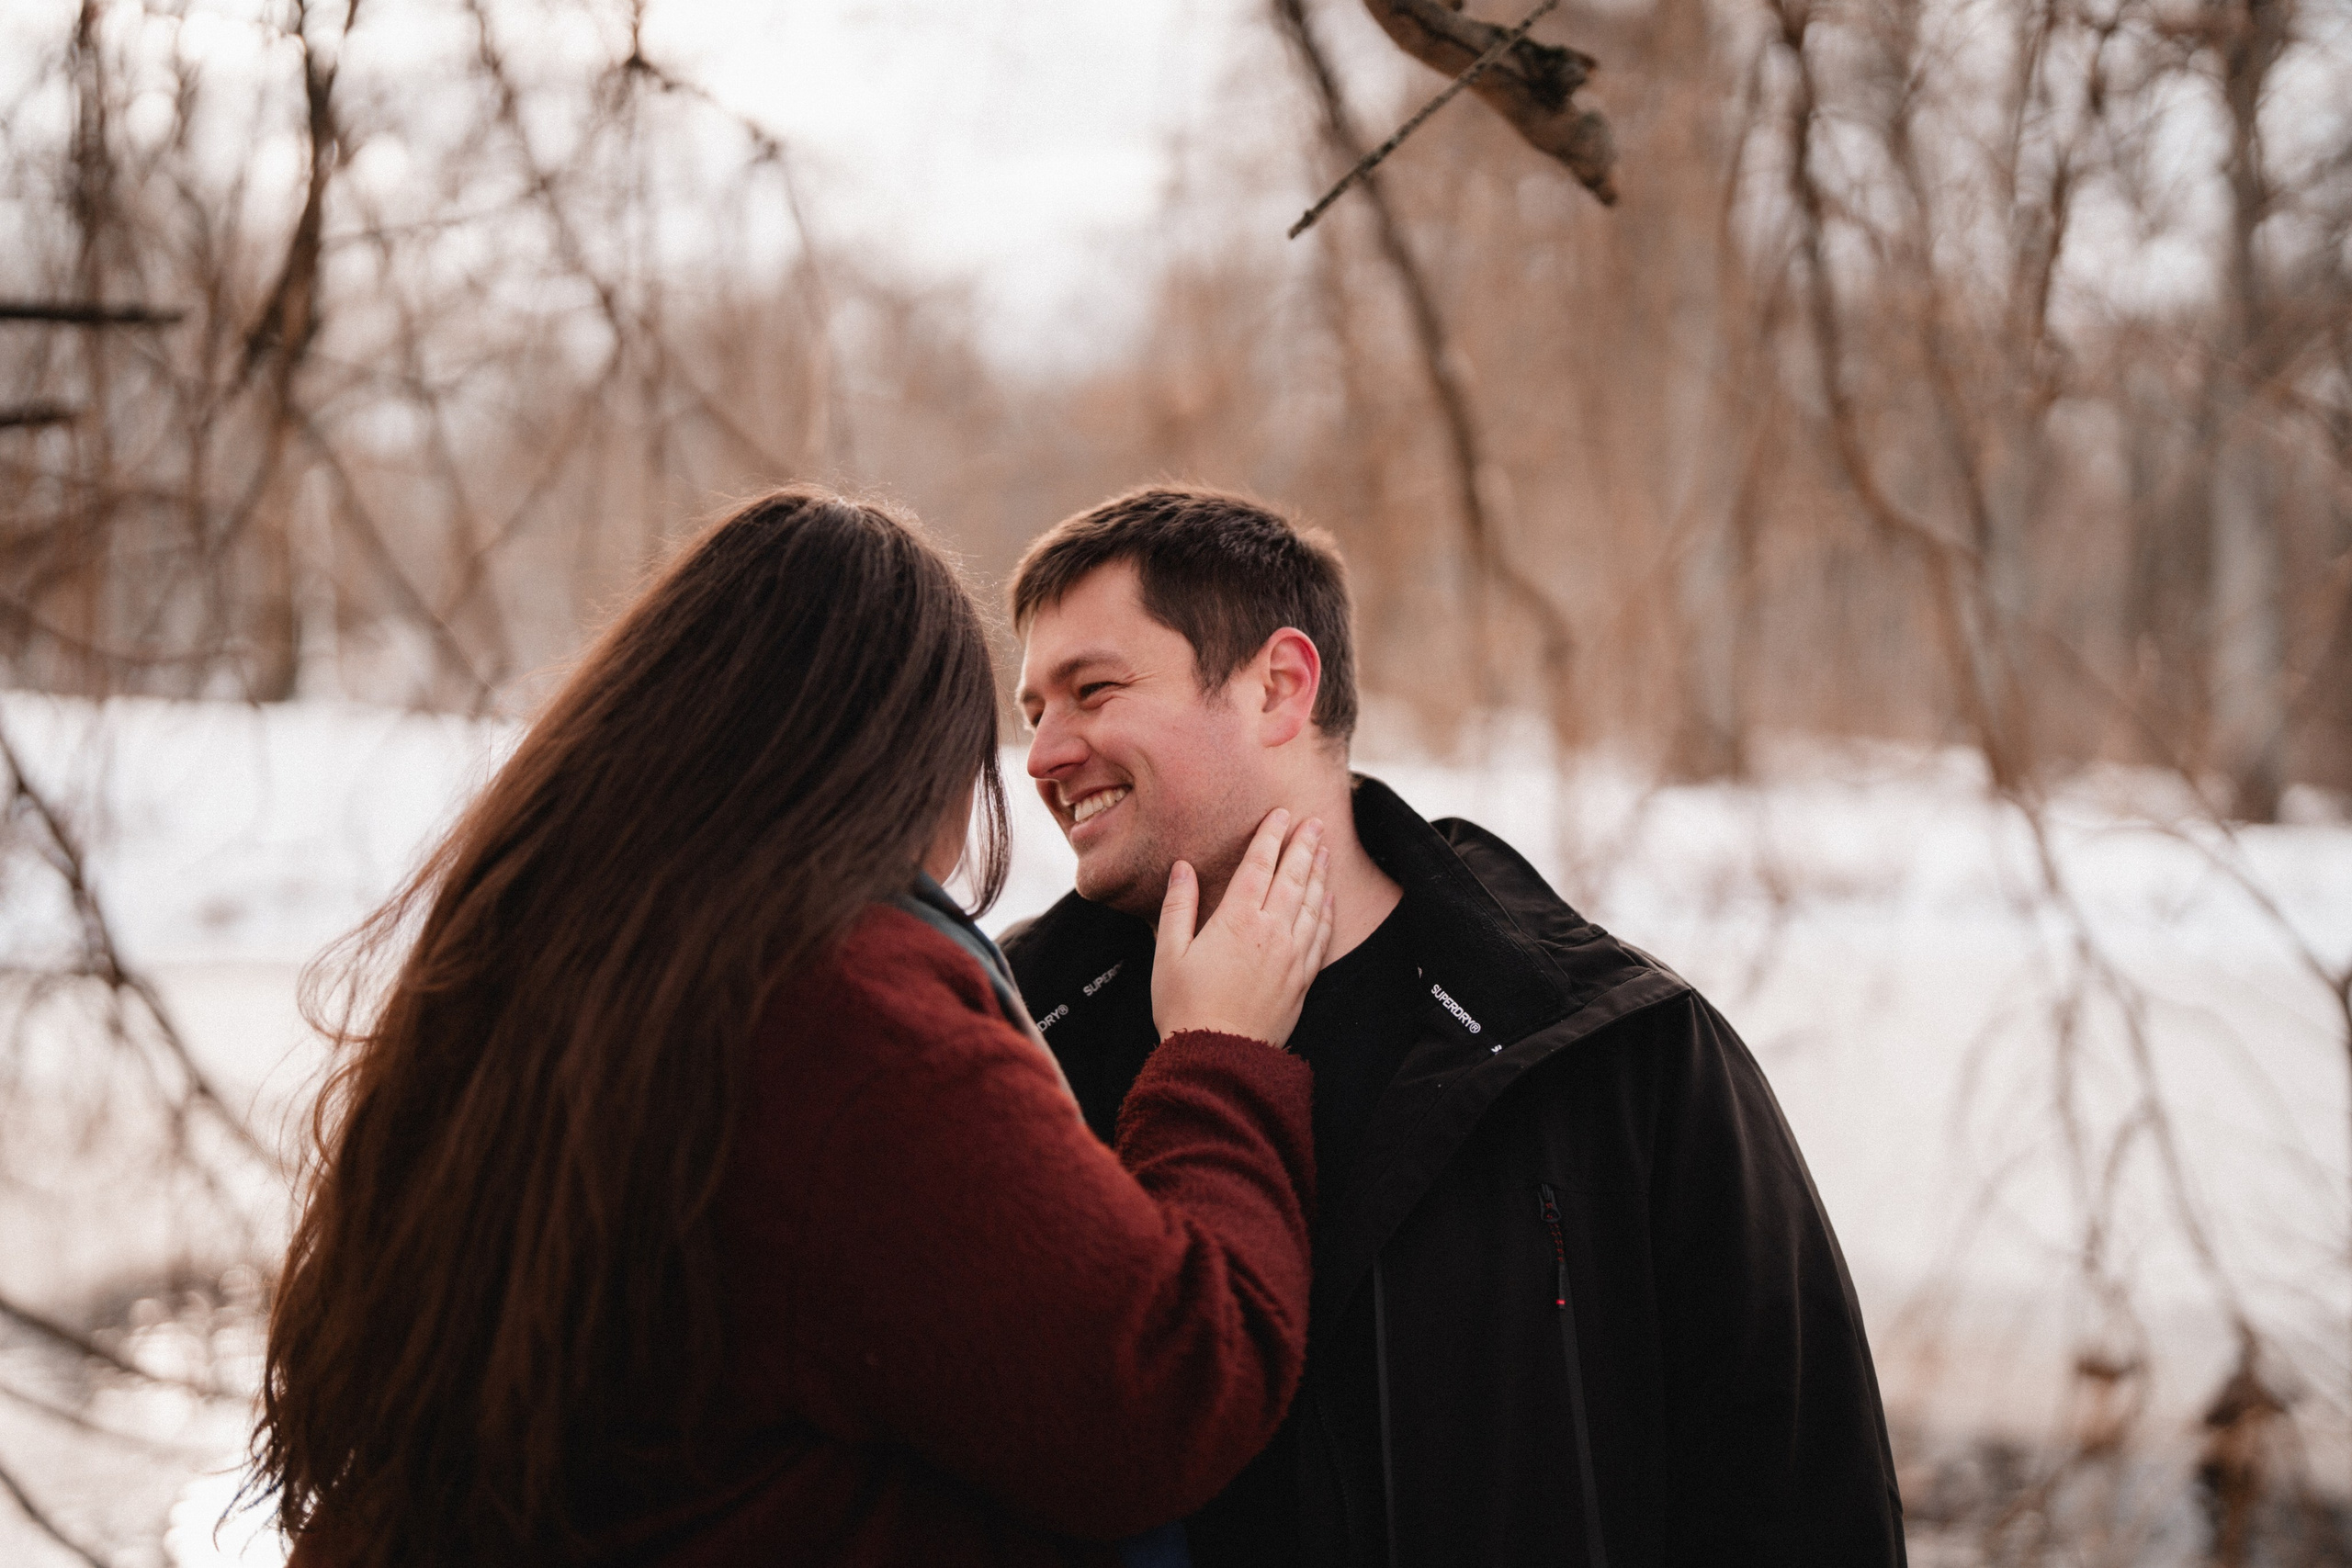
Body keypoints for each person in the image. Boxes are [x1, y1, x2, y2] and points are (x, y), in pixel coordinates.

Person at [255, 487, 1340, 1568]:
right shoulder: (848, 1017)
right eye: (1001, 729)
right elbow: (1160, 1395)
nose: (1035, 765)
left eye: (1092, 692)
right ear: (896, 751)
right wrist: (1221, 1056)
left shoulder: (542, 969)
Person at [1001, 486, 1907, 1567]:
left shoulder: (1614, 1051)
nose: (1045, 755)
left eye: (1091, 692)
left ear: (1279, 687)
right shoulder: (1012, 1050)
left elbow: (1799, 1503)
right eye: (1032, 713)